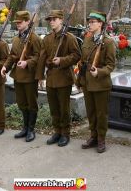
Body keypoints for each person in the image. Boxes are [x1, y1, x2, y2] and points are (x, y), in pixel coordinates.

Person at [36, 10, 81, 147]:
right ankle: (57, 131)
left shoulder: (69, 38)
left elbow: (76, 55)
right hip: (50, 78)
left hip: (64, 78)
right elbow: (42, 57)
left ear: (61, 20)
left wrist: (61, 60)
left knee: (64, 108)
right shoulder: (47, 38)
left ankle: (65, 133)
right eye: (50, 20)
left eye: (54, 19)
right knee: (54, 108)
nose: (51, 22)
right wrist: (40, 76)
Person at [76, 11, 116, 153]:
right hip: (87, 83)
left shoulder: (108, 42)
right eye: (89, 21)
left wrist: (98, 72)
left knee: (101, 113)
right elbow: (82, 62)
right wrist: (79, 81)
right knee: (91, 112)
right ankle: (93, 136)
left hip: (100, 84)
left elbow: (111, 65)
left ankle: (101, 139)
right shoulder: (87, 39)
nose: (90, 24)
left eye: (93, 22)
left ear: (100, 24)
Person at [1, 11, 42, 142]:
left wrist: (27, 62)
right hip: (18, 76)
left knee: (31, 104)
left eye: (20, 22)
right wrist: (5, 67)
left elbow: (38, 56)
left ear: (27, 22)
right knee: (22, 103)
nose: (18, 24)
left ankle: (31, 129)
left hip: (30, 76)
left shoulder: (34, 38)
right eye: (17, 22)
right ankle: (24, 128)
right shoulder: (17, 38)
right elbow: (12, 55)